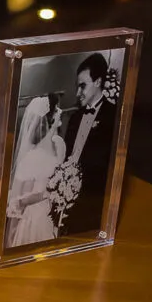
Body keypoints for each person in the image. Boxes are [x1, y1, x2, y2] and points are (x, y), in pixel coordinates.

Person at [63, 54, 116, 236]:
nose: (78, 93)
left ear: (98, 82)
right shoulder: (75, 118)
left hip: (92, 204)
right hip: (66, 199)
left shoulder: (114, 117)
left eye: (82, 86)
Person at [6, 95, 65, 247]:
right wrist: (42, 195)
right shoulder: (31, 157)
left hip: (52, 213)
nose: (61, 111)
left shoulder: (59, 145)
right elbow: (18, 200)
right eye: (57, 109)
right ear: (49, 118)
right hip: (35, 217)